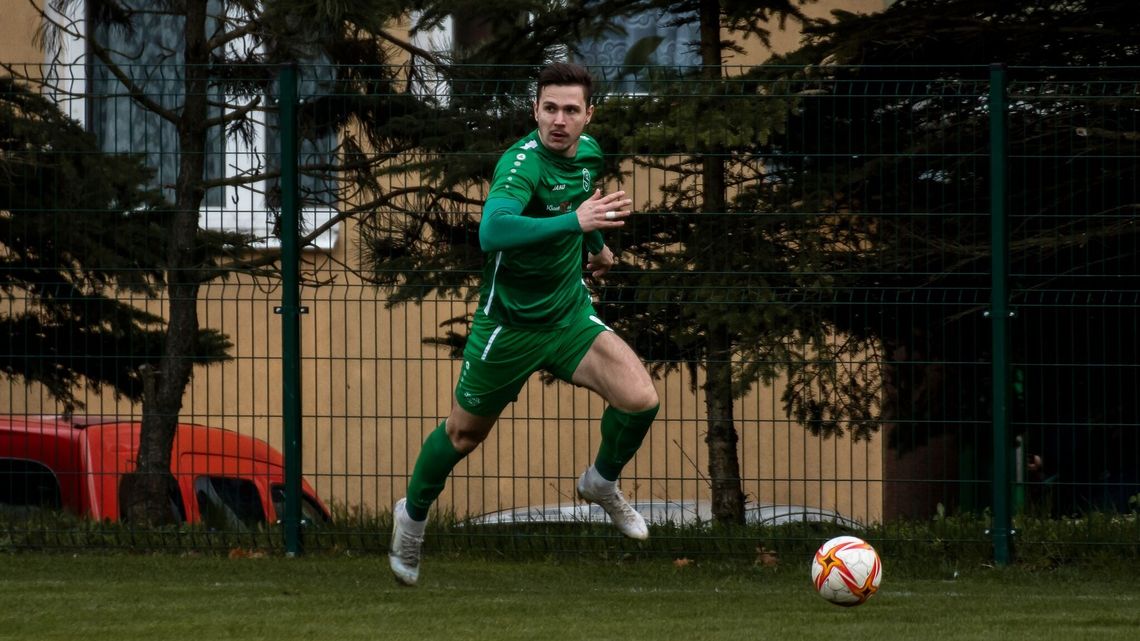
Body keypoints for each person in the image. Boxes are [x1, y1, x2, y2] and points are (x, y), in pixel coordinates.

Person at [388, 62, 660, 586]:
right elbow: (492, 231)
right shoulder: (521, 164)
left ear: (588, 116)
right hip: (508, 327)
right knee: (462, 435)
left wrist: (597, 247)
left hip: (568, 316)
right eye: (550, 108)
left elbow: (579, 207)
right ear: (535, 109)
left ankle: (600, 483)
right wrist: (577, 224)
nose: (559, 119)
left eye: (571, 110)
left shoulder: (589, 154)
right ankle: (412, 516)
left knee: (640, 398)